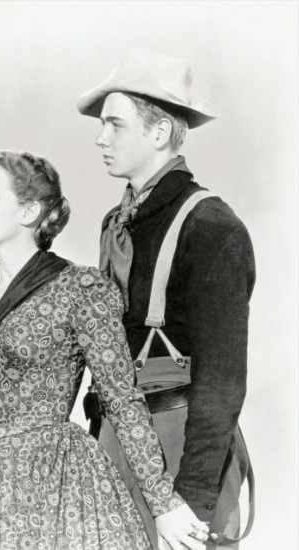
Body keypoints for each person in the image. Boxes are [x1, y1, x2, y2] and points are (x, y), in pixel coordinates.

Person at [0, 150, 209, 550]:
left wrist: (162, 503)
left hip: (49, 478)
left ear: (29, 212)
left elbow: (122, 399)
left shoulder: (80, 289)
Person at [77, 49, 255, 549]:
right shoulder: (116, 224)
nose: (100, 137)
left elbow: (222, 383)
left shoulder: (212, 226)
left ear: (158, 133)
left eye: (114, 124)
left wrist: (192, 501)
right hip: (116, 444)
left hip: (183, 452)